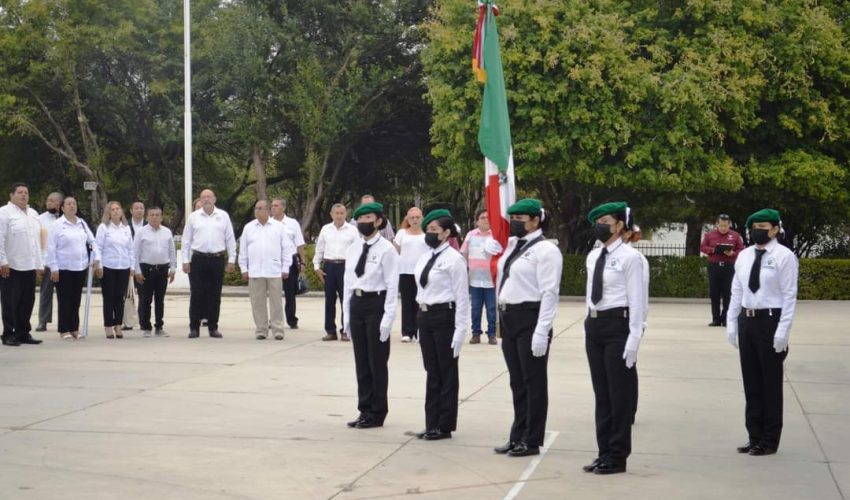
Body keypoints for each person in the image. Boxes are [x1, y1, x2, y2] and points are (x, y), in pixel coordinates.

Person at [485, 198, 563, 458]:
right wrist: (492, 252)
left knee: (533, 381)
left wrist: (543, 329)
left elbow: (550, 292)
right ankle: (517, 434)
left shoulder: (546, 251)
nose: (514, 223)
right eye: (513, 218)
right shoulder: (513, 246)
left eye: (520, 219)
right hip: (509, 318)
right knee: (517, 382)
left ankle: (531, 439)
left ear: (535, 221)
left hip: (531, 317)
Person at [582, 202, 648, 475]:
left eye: (606, 220)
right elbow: (590, 293)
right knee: (602, 394)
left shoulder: (631, 258)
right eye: (597, 220)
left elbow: (638, 300)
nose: (600, 224)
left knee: (618, 395)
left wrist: (634, 338)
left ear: (620, 225)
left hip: (618, 326)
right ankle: (603, 451)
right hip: (595, 324)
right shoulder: (593, 255)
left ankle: (617, 455)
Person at [726, 208, 798, 456]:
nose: (758, 231)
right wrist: (732, 323)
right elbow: (737, 290)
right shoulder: (744, 255)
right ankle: (754, 435)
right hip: (747, 320)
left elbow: (789, 296)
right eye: (754, 227)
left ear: (776, 229)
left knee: (770, 383)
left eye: (763, 227)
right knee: (752, 382)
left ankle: (769, 439)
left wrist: (783, 331)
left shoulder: (784, 256)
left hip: (770, 321)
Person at [413, 209, 469, 440]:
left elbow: (462, 296)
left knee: (446, 371)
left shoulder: (454, 259)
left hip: (445, 317)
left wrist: (460, 330)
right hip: (425, 316)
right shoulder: (426, 256)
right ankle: (431, 422)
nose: (429, 234)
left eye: (434, 230)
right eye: (428, 230)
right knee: (431, 370)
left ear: (446, 233)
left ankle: (444, 425)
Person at [343, 201, 399, 429]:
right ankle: (364, 408)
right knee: (361, 361)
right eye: (360, 220)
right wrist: (346, 315)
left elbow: (392, 284)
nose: (364, 223)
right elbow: (348, 282)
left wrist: (388, 318)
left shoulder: (386, 249)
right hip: (357, 302)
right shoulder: (353, 247)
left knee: (377, 361)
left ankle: (377, 411)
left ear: (378, 221)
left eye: (369, 220)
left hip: (376, 302)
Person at [182, 189, 237, 339]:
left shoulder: (223, 216)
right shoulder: (193, 217)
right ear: (200, 200)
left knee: (215, 294)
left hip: (217, 259)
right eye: (203, 197)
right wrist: (185, 261)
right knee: (197, 294)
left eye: (209, 197)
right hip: (198, 259)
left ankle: (213, 326)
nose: (206, 199)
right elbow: (186, 240)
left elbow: (230, 239)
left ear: (215, 199)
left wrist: (232, 259)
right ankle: (194, 327)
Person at [239, 200, 294, 341]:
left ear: (268, 210)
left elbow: (286, 249)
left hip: (274, 270)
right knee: (257, 302)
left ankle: (278, 329)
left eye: (260, 208)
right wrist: (244, 268)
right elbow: (243, 250)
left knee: (276, 302)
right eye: (256, 208)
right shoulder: (249, 227)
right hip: (255, 270)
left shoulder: (278, 227)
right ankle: (261, 329)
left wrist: (285, 267)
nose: (257, 211)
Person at [46, 196, 97, 340]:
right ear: (62, 208)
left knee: (75, 300)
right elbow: (51, 247)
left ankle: (74, 328)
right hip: (63, 268)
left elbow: (92, 241)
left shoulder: (81, 223)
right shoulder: (58, 224)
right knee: (65, 300)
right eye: (68, 204)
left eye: (74, 203)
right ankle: (64, 329)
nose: (72, 206)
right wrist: (53, 268)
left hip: (80, 267)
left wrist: (96, 258)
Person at [0, 183, 45, 346]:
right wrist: (2, 261)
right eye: (20, 192)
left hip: (29, 265)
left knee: (27, 301)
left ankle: (23, 332)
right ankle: (8, 333)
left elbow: (36, 241)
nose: (24, 195)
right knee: (10, 301)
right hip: (11, 265)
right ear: (11, 195)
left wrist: (40, 264)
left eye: (26, 192)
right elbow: (0, 238)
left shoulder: (33, 214)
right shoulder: (4, 213)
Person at [314, 203, 358, 341]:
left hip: (346, 267)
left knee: (347, 300)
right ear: (331, 214)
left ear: (346, 214)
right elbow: (319, 249)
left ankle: (346, 330)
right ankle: (330, 331)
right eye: (336, 213)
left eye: (341, 213)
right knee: (329, 301)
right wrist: (316, 267)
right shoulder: (325, 229)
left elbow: (358, 250)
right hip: (329, 267)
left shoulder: (353, 230)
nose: (339, 216)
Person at [133, 206, 176, 337]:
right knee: (145, 299)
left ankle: (159, 326)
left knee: (159, 300)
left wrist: (173, 268)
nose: (155, 217)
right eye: (152, 215)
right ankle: (145, 326)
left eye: (157, 215)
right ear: (147, 217)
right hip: (146, 269)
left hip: (162, 269)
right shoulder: (141, 232)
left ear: (161, 217)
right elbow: (135, 253)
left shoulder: (167, 232)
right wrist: (137, 271)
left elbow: (172, 251)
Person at [94, 202, 134, 339]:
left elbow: (130, 249)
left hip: (123, 266)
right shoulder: (104, 227)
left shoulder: (126, 228)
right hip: (108, 266)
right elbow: (97, 247)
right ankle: (108, 325)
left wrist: (132, 266)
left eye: (118, 209)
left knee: (119, 298)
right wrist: (98, 265)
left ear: (122, 211)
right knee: (109, 297)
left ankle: (118, 324)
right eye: (113, 209)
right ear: (108, 213)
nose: (116, 211)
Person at [460, 208, 497, 345]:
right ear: (477, 221)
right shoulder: (470, 235)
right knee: (475, 309)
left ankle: (492, 334)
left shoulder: (495, 236)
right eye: (482, 217)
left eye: (488, 217)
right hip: (474, 279)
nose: (485, 219)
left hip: (491, 280)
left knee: (492, 309)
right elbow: (464, 252)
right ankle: (476, 333)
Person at [700, 214, 745, 326]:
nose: (723, 228)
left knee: (728, 293)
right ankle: (716, 319)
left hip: (729, 267)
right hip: (714, 266)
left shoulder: (735, 235)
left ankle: (725, 319)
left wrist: (733, 253)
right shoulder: (709, 235)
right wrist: (713, 250)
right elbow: (702, 247)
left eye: (726, 225)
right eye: (721, 225)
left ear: (729, 224)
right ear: (716, 224)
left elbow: (741, 249)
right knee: (714, 293)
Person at [393, 207, 429, 342]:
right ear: (407, 219)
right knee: (407, 303)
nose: (415, 220)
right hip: (405, 272)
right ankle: (407, 332)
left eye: (417, 217)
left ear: (422, 219)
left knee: (420, 302)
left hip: (421, 273)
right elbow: (395, 251)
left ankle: (420, 331)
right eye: (412, 217)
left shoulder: (426, 234)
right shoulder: (402, 233)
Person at [271, 197, 306, 329]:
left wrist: (303, 263)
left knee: (290, 293)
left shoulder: (292, 223)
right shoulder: (268, 223)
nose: (273, 208)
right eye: (272, 206)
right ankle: (274, 320)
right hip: (273, 261)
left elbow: (299, 244)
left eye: (276, 205)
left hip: (289, 261)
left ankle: (291, 319)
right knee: (274, 293)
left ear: (283, 208)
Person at [36, 191, 63, 332]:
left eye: (52, 200)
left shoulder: (66, 219)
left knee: (64, 294)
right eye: (48, 200)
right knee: (46, 292)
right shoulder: (40, 219)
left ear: (60, 203)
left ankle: (64, 322)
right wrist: (39, 263)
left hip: (64, 262)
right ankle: (43, 321)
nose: (49, 203)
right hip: (47, 261)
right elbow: (38, 243)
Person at [124, 200, 146, 330]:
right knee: (128, 294)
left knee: (144, 295)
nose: (139, 210)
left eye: (141, 208)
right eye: (136, 208)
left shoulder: (149, 225)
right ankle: (128, 322)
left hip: (143, 264)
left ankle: (143, 321)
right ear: (131, 211)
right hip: (127, 264)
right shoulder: (124, 225)